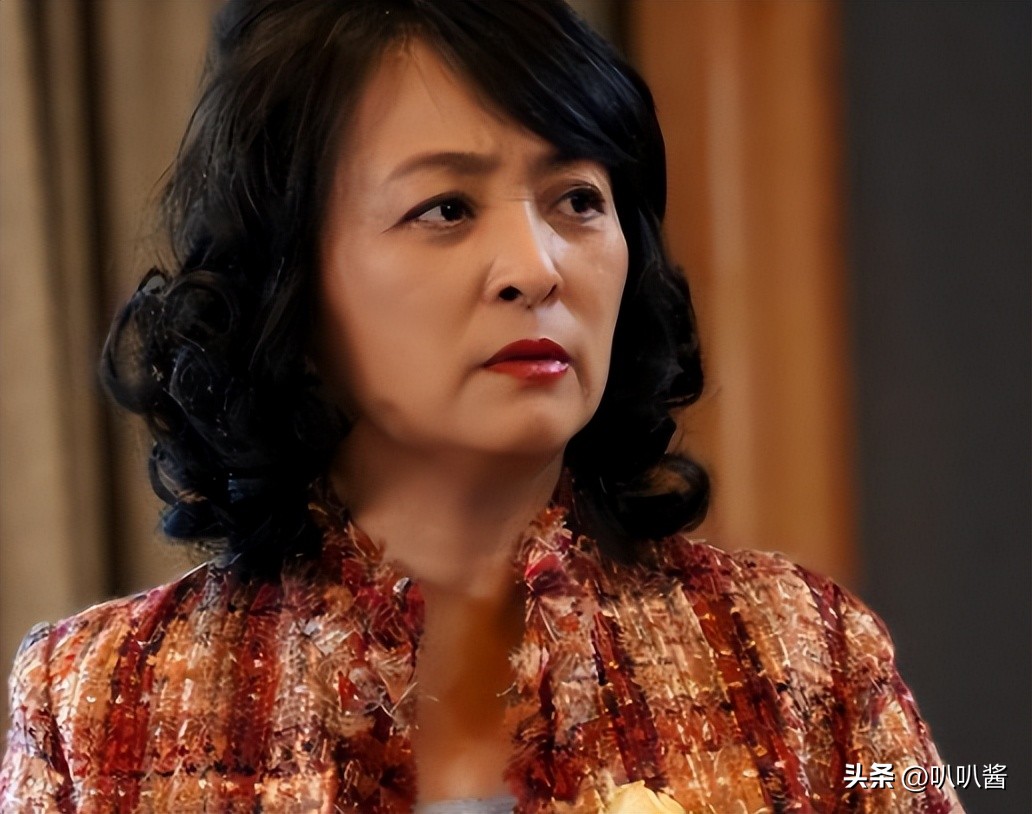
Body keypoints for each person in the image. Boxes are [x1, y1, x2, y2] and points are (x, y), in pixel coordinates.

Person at [0, 1, 962, 812]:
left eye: (577, 200)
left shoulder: (801, 658)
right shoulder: (99, 705)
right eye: (447, 209)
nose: (536, 268)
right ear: (288, 287)